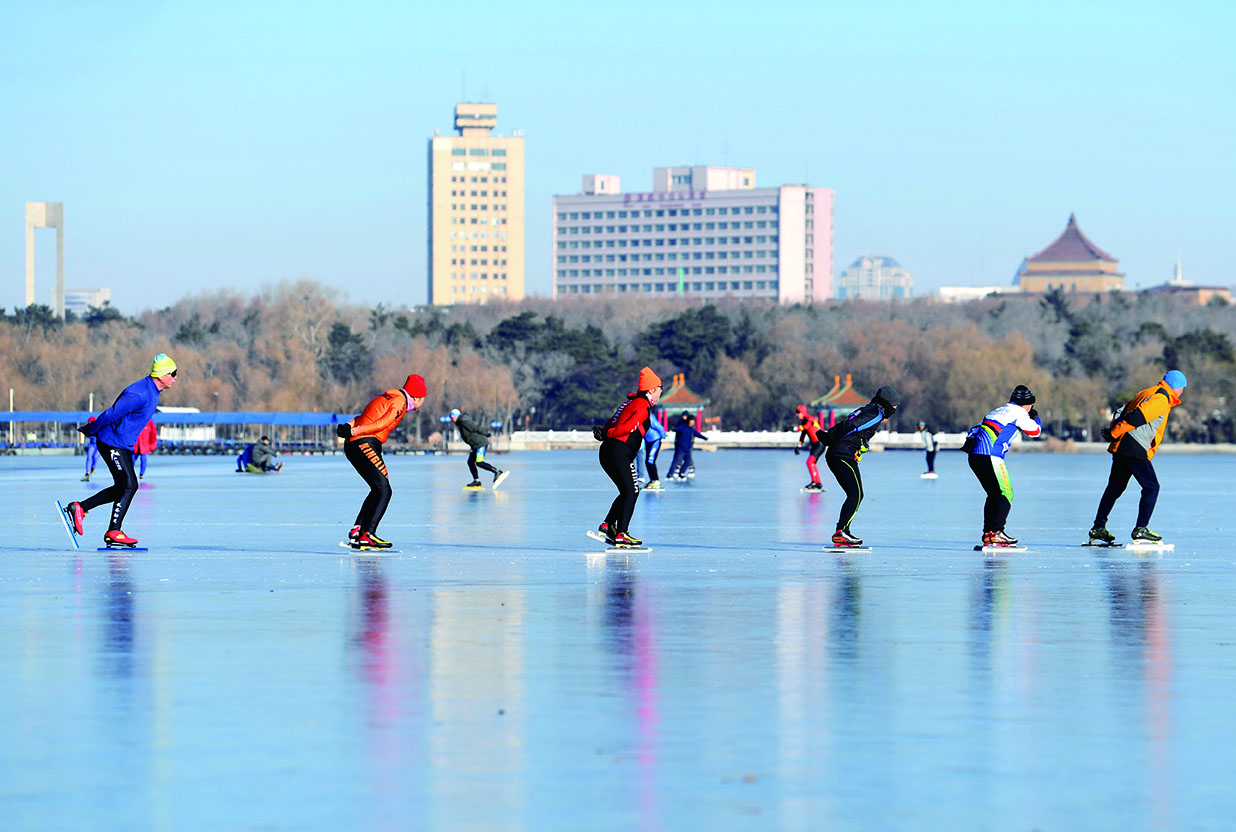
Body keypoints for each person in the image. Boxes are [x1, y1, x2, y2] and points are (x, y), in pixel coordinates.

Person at [63, 353, 179, 548]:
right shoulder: (140, 393)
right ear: (162, 374)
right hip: (111, 442)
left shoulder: (152, 391)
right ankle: (113, 531)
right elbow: (112, 412)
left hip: (121, 443)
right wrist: (93, 428)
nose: (176, 377)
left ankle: (80, 508)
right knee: (130, 485)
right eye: (173, 373)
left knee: (124, 486)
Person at [1088, 371, 1186, 544]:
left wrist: (1114, 433)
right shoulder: (1161, 399)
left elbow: (1121, 410)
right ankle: (1141, 529)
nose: (1182, 392)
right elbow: (1137, 416)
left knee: (1115, 487)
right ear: (1175, 387)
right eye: (1182, 388)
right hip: (1133, 446)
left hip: (1123, 444)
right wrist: (1113, 432)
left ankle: (1098, 527)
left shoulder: (1147, 392)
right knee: (1151, 487)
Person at [338, 374, 426, 550]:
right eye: (423, 398)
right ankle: (367, 534)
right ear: (417, 397)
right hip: (364, 443)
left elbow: (364, 415)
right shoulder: (399, 401)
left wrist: (349, 426)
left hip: (357, 444)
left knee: (378, 489)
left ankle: (358, 530)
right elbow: (381, 423)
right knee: (384, 490)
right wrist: (354, 432)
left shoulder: (388, 397)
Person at [963, 385, 1043, 547]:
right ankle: (997, 532)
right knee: (1006, 493)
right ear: (1025, 404)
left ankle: (989, 534)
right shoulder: (1019, 413)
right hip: (991, 456)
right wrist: (1035, 417)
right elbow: (1036, 432)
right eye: (1031, 405)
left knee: (994, 494)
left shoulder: (997, 411)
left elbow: (973, 430)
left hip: (975, 456)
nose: (1031, 408)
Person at [823, 386, 900, 547]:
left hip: (839, 454)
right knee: (856, 495)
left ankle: (843, 531)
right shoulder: (876, 414)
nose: (895, 409)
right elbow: (852, 426)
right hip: (842, 455)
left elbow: (853, 429)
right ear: (887, 403)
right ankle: (841, 532)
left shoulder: (866, 409)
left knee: (854, 494)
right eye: (894, 405)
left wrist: (861, 446)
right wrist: (830, 437)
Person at [595, 366, 662, 547]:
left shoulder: (630, 402)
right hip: (619, 452)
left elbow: (613, 420)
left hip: (608, 452)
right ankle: (621, 533)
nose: (658, 398)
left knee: (627, 491)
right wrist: (608, 434)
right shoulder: (641, 406)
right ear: (652, 390)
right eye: (659, 393)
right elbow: (626, 427)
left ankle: (608, 525)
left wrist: (605, 432)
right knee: (632, 491)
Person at [450, 408, 508, 489]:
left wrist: (485, 433)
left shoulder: (464, 421)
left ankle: (497, 472)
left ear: (456, 416)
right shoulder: (461, 422)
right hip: (475, 445)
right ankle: (476, 481)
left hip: (480, 444)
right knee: (470, 462)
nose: (452, 419)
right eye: (451, 418)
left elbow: (475, 427)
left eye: (452, 417)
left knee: (479, 462)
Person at [667, 411, 708, 481]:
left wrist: (704, 438)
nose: (692, 422)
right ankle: (670, 474)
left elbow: (697, 434)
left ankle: (681, 473)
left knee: (688, 461)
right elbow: (678, 428)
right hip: (681, 447)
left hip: (688, 448)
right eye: (691, 421)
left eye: (693, 421)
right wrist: (674, 429)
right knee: (677, 461)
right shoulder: (683, 426)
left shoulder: (691, 429)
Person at [794, 404, 826, 491]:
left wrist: (794, 428)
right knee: (811, 463)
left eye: (798, 413)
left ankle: (816, 482)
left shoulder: (810, 419)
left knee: (810, 462)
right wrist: (799, 446)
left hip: (820, 444)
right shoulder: (804, 421)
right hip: (815, 445)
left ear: (803, 412)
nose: (797, 415)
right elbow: (803, 434)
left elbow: (806, 427)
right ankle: (817, 482)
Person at [642, 416, 667, 490]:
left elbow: (658, 426)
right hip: (648, 441)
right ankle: (653, 480)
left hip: (655, 440)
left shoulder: (649, 417)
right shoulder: (638, 417)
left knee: (650, 461)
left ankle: (656, 481)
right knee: (647, 462)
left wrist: (663, 435)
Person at [81, 416, 99, 481]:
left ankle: (93, 468)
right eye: (89, 422)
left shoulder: (98, 427)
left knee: (95, 456)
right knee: (89, 457)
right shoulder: (88, 428)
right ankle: (87, 472)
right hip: (92, 444)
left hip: (99, 445)